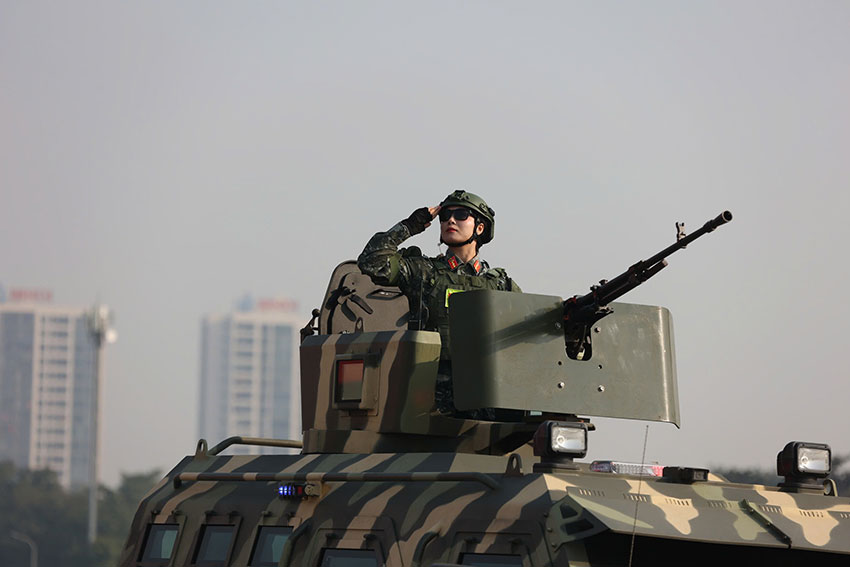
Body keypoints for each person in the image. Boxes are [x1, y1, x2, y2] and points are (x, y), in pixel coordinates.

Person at [357, 190, 521, 415]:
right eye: (445, 216)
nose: (450, 220)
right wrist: (410, 226)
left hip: (486, 398)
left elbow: (527, 328)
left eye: (462, 214)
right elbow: (371, 261)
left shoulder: (500, 285)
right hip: (429, 398)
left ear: (480, 228)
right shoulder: (423, 272)